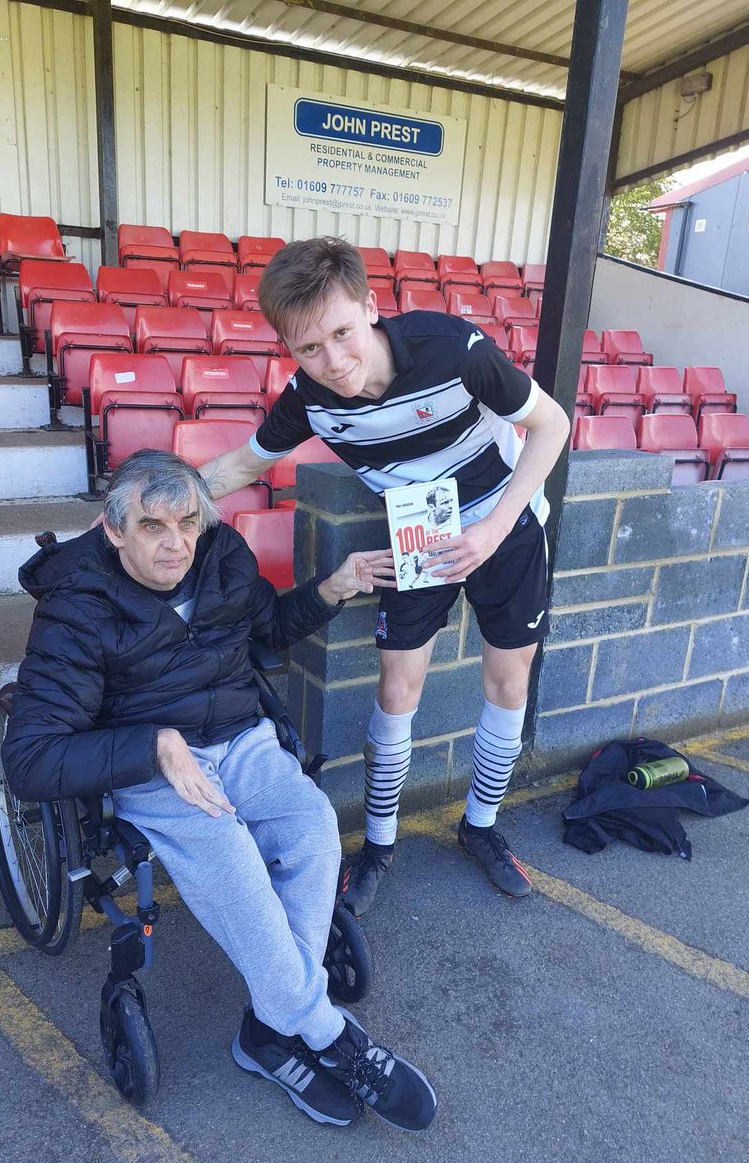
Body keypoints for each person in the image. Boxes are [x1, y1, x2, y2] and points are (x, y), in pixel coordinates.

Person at [1, 450, 437, 1132]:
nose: (177, 543)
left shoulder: (222, 556)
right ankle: (327, 1033)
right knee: (228, 853)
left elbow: (264, 629)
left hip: (241, 736)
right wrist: (153, 745)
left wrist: (334, 587)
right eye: (153, 527)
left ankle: (266, 1033)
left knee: (312, 825)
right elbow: (29, 757)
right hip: (148, 764)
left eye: (187, 522)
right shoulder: (76, 611)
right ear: (114, 531)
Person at [200, 237, 571, 910]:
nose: (334, 362)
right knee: (397, 688)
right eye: (309, 348)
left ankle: (481, 827)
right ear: (290, 348)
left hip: (504, 521)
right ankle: (377, 843)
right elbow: (241, 467)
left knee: (507, 680)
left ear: (371, 308)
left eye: (343, 333)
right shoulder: (308, 397)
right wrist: (139, 512)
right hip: (419, 533)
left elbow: (552, 425)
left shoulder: (452, 350)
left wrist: (491, 529)